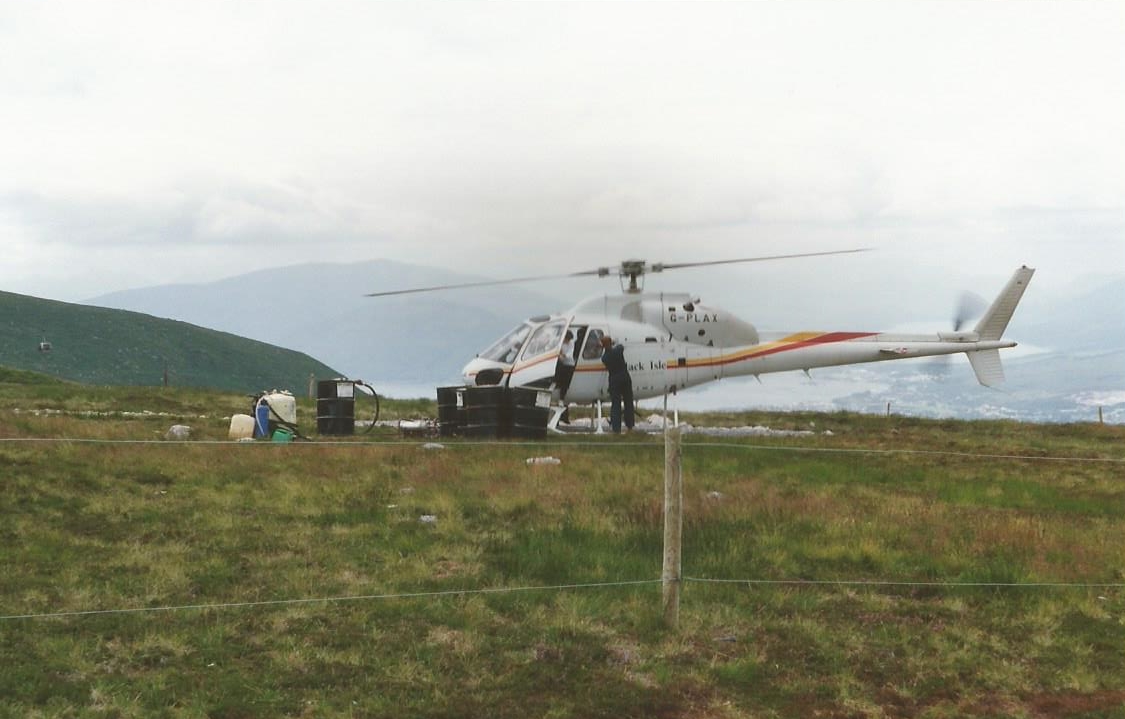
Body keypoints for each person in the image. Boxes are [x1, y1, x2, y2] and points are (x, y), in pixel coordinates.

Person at [600, 335, 634, 433]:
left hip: (614, 379)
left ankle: (616, 428)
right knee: (628, 401)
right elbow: (621, 346)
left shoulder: (604, 358)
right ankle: (630, 425)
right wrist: (613, 343)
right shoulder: (618, 350)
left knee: (615, 404)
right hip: (625, 377)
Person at [553, 330, 576, 401]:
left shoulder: (571, 343)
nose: (568, 341)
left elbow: (570, 354)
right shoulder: (557, 341)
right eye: (567, 339)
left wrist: (562, 354)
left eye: (569, 340)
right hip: (559, 363)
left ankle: (561, 399)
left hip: (569, 364)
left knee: (565, 383)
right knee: (557, 380)